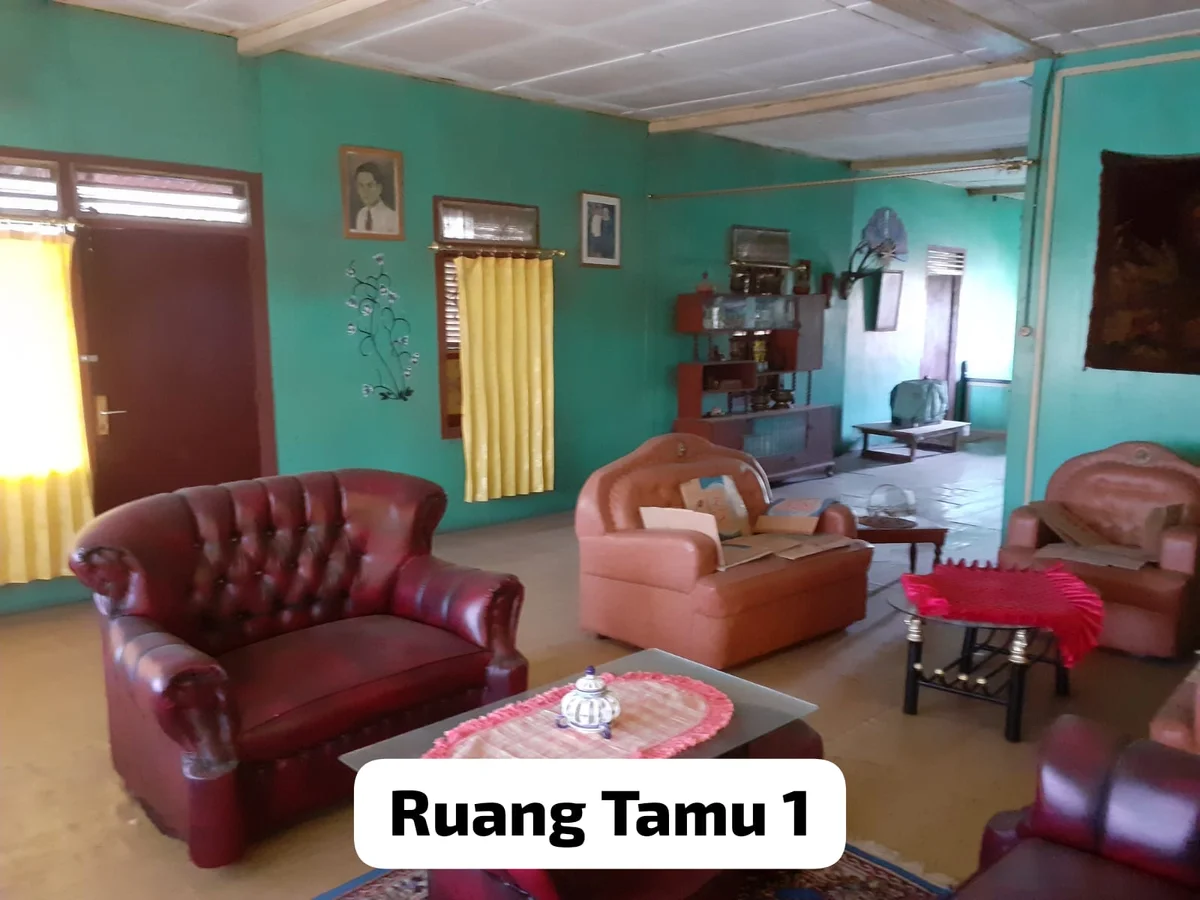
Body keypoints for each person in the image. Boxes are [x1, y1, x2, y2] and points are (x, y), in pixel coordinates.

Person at [353, 162, 399, 234]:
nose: (365, 191)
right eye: (361, 185)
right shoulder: (360, 214)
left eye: (370, 185)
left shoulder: (392, 217)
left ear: (379, 188)